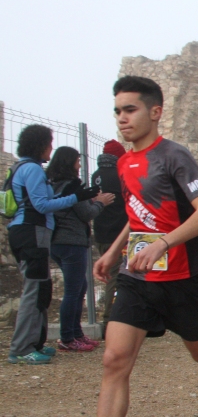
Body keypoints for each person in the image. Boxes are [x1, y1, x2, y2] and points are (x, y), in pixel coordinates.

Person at [93, 76, 198, 416]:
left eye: (130, 109)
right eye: (117, 111)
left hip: (180, 278)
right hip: (136, 279)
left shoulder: (174, 156)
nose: (122, 118)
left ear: (155, 112)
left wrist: (164, 244)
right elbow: (138, 213)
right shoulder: (125, 163)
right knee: (114, 361)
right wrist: (113, 251)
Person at [6, 125, 97, 365]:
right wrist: (77, 198)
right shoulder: (33, 170)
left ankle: (34, 343)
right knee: (34, 291)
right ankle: (21, 348)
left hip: (28, 232)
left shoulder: (20, 168)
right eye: (49, 142)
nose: (51, 148)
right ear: (40, 145)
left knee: (41, 289)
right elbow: (41, 205)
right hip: (31, 232)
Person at [47, 147, 115, 352]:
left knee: (79, 288)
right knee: (73, 291)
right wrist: (101, 203)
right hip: (72, 242)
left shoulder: (53, 184)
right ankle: (69, 337)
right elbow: (85, 214)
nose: (79, 164)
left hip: (56, 242)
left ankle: (75, 334)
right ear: (70, 163)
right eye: (77, 160)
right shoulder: (72, 186)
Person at [91, 139, 129, 339]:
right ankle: (110, 323)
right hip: (118, 235)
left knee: (112, 278)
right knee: (115, 279)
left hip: (100, 234)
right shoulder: (120, 175)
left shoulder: (96, 175)